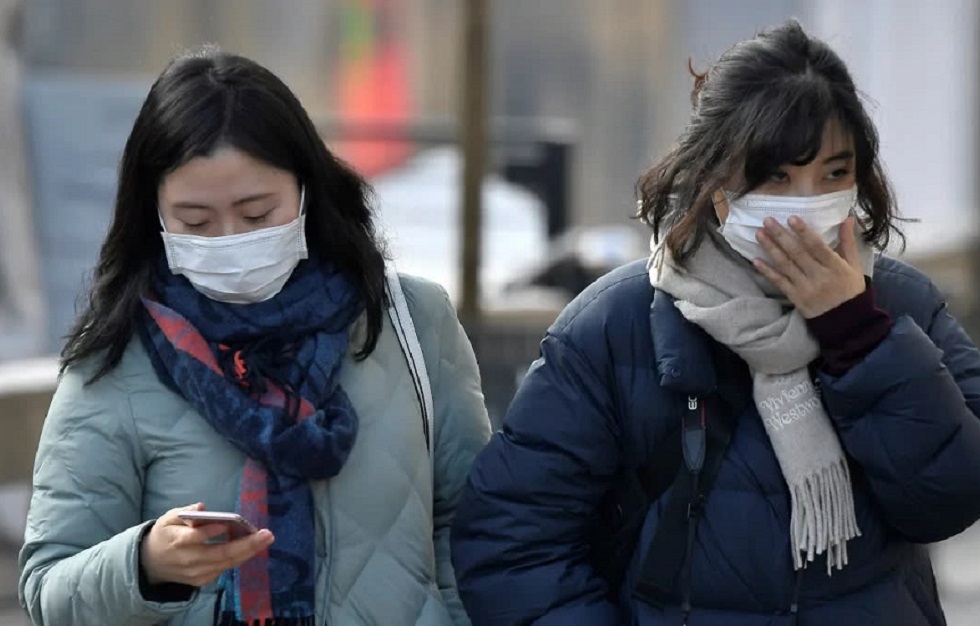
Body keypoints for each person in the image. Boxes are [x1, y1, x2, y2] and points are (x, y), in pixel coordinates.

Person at [450, 20, 980, 626]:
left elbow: (951, 498)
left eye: (834, 174)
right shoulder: (616, 326)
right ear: (716, 180)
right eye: (776, 177)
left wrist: (859, 336)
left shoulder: (901, 305)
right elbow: (514, 543)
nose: (807, 204)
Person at [18, 47, 491, 626]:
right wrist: (144, 564)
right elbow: (47, 590)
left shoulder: (412, 321)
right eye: (195, 221)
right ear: (154, 216)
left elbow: (474, 525)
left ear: (306, 192)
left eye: (257, 213)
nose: (228, 239)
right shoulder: (116, 357)